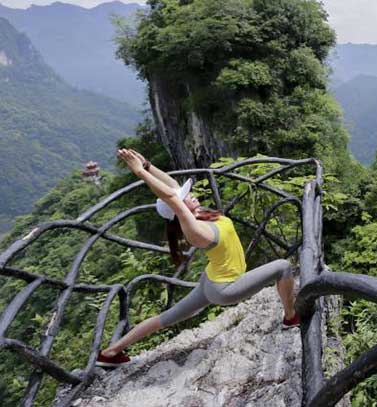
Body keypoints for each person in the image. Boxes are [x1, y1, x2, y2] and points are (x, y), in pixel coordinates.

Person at [96, 148, 300, 367]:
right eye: (185, 197)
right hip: (226, 288)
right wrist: (140, 173)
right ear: (178, 209)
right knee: (283, 267)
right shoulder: (195, 230)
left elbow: (172, 187)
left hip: (210, 280)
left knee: (167, 318)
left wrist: (147, 165)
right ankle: (291, 317)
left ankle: (110, 353)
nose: (190, 194)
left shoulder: (198, 213)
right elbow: (171, 197)